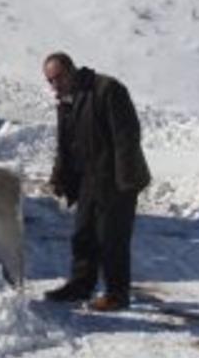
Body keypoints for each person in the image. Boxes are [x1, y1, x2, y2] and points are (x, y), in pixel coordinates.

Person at [42, 52, 151, 312]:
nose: (54, 85)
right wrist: (59, 177)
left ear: (71, 70)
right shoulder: (67, 101)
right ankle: (81, 285)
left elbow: (127, 136)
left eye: (57, 77)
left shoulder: (107, 89)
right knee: (84, 235)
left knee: (111, 239)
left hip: (117, 180)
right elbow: (65, 145)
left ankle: (117, 294)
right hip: (90, 180)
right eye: (50, 81)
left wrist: (124, 182)